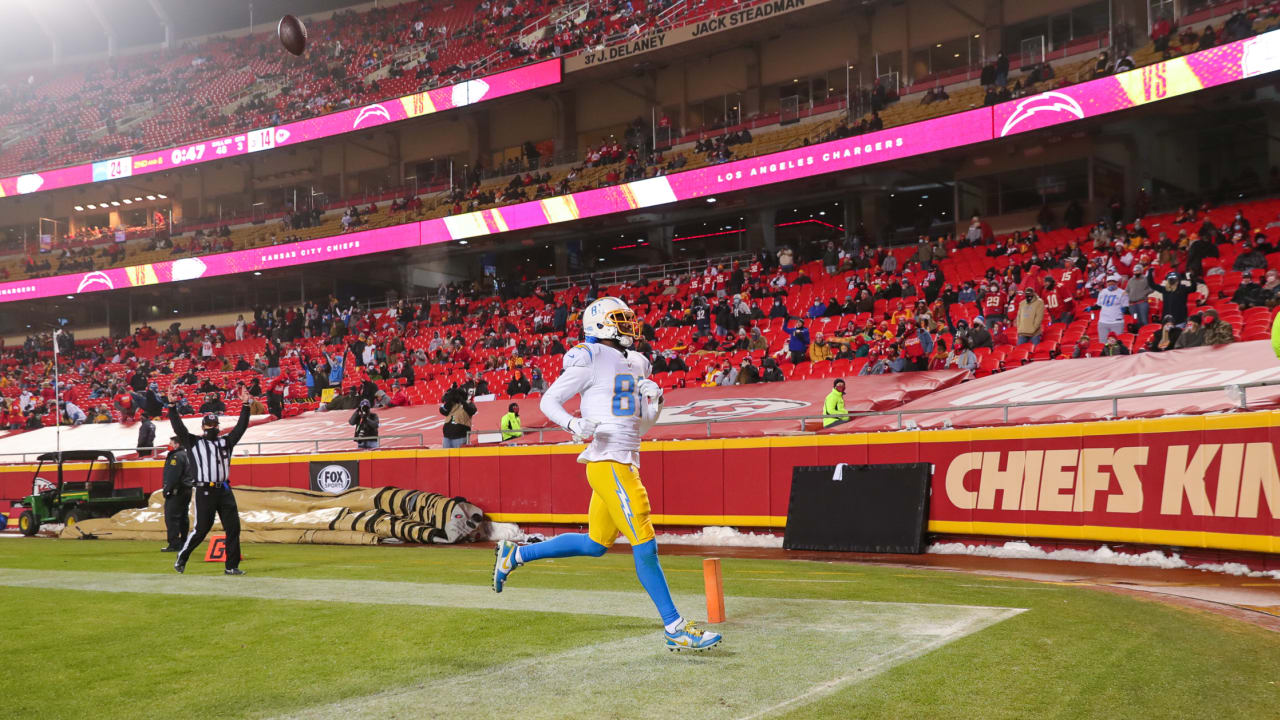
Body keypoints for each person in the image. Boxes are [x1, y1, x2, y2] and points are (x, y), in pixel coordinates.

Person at [495, 296, 722, 652]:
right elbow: (548, 401)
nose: (629, 324)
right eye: (620, 318)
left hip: (624, 456)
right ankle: (675, 626)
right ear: (599, 324)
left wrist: (653, 405)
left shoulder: (638, 362)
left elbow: (640, 427)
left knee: (595, 544)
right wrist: (573, 424)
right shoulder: (591, 356)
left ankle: (516, 554)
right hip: (609, 462)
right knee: (644, 543)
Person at [170, 388, 251, 575]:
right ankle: (183, 556)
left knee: (233, 528)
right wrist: (172, 406)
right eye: (209, 425)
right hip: (204, 490)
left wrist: (245, 405)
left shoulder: (226, 442)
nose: (213, 428)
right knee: (201, 529)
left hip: (223, 489)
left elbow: (241, 428)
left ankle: (231, 566)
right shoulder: (194, 442)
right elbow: (178, 428)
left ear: (218, 426)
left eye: (215, 425)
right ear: (203, 428)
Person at [160, 435, 193, 552]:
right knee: (183, 517)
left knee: (171, 517)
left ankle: (174, 543)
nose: (170, 445)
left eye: (171, 442)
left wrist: (167, 489)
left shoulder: (176, 457)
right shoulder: (188, 455)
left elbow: (173, 476)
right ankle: (184, 542)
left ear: (177, 444)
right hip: (187, 490)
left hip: (177, 491)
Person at [1094, 274, 1128, 343]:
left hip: (1116, 321)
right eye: (1109, 282)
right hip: (1103, 321)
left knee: (1116, 343)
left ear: (1117, 283)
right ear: (1106, 283)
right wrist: (1091, 308)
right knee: (1103, 343)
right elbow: (1098, 305)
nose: (1111, 283)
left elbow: (1126, 307)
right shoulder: (1102, 292)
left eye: (1113, 282)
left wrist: (1124, 310)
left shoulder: (1122, 293)